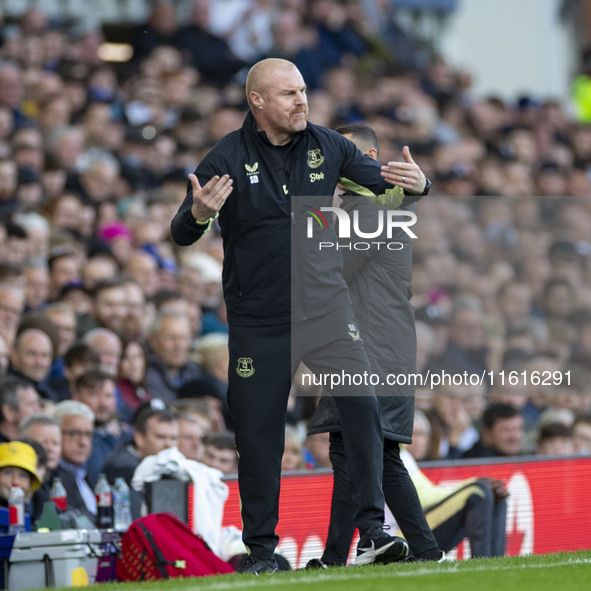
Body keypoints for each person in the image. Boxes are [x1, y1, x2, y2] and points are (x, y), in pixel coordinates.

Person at [171, 58, 429, 573]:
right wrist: (199, 214)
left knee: (362, 410)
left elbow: (383, 185)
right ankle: (262, 551)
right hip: (259, 321)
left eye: (304, 90)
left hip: (327, 311)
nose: (302, 101)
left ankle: (373, 531)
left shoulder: (329, 146)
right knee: (258, 432)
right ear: (258, 102)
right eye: (288, 94)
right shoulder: (225, 157)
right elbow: (182, 231)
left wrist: (419, 185)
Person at [307, 123, 441, 565]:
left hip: (372, 350)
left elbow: (331, 276)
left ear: (364, 156)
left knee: (371, 451)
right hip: (376, 347)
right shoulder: (369, 209)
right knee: (357, 451)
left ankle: (424, 550)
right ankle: (337, 557)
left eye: (338, 154)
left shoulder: (365, 211)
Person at [50, 400, 97, 522]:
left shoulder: (87, 473)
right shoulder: (51, 477)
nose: (83, 442)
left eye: (88, 434)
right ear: (55, 434)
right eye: (74, 433)